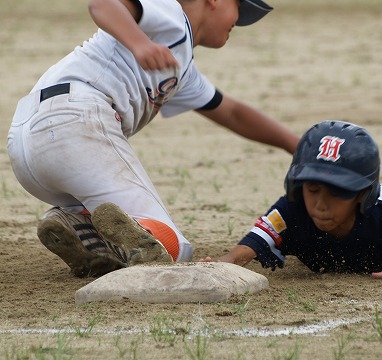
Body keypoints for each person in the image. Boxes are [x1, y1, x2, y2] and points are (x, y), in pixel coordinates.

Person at [7, 0, 300, 277]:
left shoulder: (181, 63)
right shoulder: (172, 13)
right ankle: (102, 232)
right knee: (171, 247)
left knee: (119, 222)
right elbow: (102, 3)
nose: (240, 20)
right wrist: (140, 44)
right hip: (73, 125)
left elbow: (232, 112)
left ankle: (77, 224)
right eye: (239, 6)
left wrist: (294, 144)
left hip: (27, 145)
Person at [201, 120, 382, 279]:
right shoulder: (293, 209)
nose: (321, 204)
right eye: (313, 189)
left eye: (337, 192)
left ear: (361, 194)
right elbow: (249, 247)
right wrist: (221, 264)